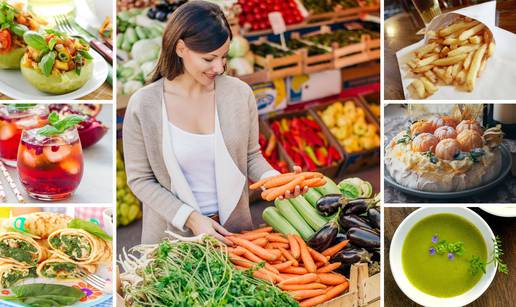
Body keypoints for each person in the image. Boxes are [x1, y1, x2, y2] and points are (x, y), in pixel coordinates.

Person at [123, 0, 306, 245]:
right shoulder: (144, 105)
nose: (219, 68)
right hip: (173, 238)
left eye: (223, 57)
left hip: (234, 234)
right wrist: (191, 218)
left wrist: (277, 182)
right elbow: (140, 180)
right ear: (180, 48)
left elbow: (251, 156)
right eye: (209, 59)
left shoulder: (239, 94)